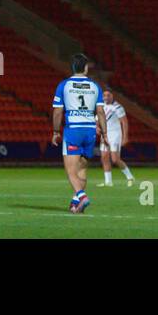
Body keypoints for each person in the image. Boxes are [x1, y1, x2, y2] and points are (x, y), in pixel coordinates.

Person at [50, 53, 108, 213]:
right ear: (86, 67)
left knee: (71, 171)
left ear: (72, 67)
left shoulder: (64, 85)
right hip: (90, 131)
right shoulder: (95, 86)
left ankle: (82, 197)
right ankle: (76, 203)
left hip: (73, 130)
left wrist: (55, 131)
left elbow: (57, 112)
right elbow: (101, 112)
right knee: (82, 168)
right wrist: (105, 134)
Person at [98, 88, 135, 187]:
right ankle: (108, 182)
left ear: (112, 96)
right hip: (105, 135)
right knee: (104, 157)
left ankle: (130, 177)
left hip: (115, 134)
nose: (106, 97)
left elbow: (124, 122)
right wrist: (97, 128)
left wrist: (125, 136)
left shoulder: (117, 107)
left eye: (108, 95)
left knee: (115, 159)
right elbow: (97, 120)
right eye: (104, 95)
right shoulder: (100, 106)